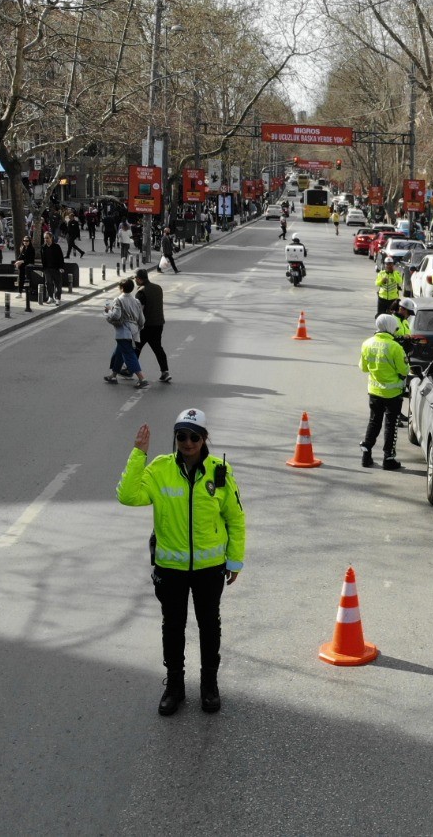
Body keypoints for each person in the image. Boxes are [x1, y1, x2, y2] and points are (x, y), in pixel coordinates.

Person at [118, 408, 245, 715]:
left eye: (194, 437)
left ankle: (209, 686)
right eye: (181, 436)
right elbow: (127, 495)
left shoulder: (220, 472)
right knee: (173, 627)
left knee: (208, 626)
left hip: (209, 569)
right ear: (175, 438)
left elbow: (235, 518)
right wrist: (139, 454)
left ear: (204, 439)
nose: (187, 443)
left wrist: (235, 561)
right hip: (171, 569)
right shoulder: (160, 469)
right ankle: (175, 687)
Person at [359, 314, 410, 470]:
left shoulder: (367, 344)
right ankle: (388, 458)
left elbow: (363, 368)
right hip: (393, 393)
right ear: (389, 327)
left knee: (374, 421)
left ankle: (366, 454)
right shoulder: (395, 347)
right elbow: (404, 369)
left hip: (374, 391)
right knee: (391, 425)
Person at [104, 279, 150, 388]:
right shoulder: (136, 301)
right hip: (134, 332)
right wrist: (138, 328)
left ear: (121, 288)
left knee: (129, 355)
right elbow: (142, 320)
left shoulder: (118, 300)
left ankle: (142, 379)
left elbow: (116, 316)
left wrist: (108, 310)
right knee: (119, 353)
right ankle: (113, 375)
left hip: (124, 332)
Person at [133, 268, 172, 383]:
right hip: (158, 323)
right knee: (158, 348)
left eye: (135, 278)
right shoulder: (158, 288)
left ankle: (131, 369)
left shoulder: (141, 292)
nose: (135, 280)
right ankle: (165, 372)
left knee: (136, 348)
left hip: (146, 326)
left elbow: (138, 311)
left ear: (139, 279)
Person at [41, 233, 65, 304]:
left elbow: (61, 258)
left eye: (47, 238)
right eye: (45, 238)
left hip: (56, 268)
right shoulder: (43, 247)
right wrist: (44, 269)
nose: (46, 240)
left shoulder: (56, 247)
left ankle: (58, 298)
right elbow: (43, 259)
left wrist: (61, 267)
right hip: (47, 269)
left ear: (51, 238)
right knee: (48, 283)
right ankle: (50, 297)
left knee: (58, 284)